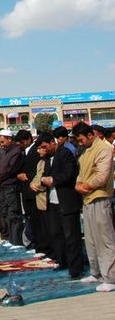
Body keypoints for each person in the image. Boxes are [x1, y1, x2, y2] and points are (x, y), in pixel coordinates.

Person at [73, 121, 115, 292]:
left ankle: (111, 277)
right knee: (90, 240)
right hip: (87, 199)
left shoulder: (103, 149)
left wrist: (86, 186)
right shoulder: (85, 151)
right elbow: (81, 174)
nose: (79, 143)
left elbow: (102, 175)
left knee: (105, 239)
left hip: (100, 198)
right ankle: (96, 272)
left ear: (91, 135)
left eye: (81, 139)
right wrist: (78, 185)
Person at [38, 133, 83, 279]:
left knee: (71, 236)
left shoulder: (64, 153)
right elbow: (44, 175)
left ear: (52, 142)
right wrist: (43, 180)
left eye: (45, 146)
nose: (43, 149)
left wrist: (54, 180)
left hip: (66, 200)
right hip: (53, 201)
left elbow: (69, 174)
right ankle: (62, 261)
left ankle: (75, 268)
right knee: (56, 234)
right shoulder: (48, 158)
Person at [0, 129, 24, 246]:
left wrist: (0, 176)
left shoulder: (16, 152)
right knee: (5, 212)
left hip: (11, 186)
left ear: (10, 139)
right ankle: (9, 238)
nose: (1, 143)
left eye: (3, 141)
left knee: (13, 213)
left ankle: (16, 240)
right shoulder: (3, 151)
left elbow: (12, 169)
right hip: (2, 186)